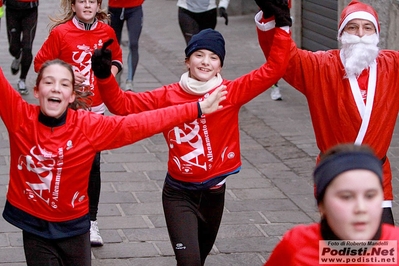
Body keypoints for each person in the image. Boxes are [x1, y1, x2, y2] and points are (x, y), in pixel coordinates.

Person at [91, 5, 291, 263]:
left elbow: (274, 69)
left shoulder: (230, 93)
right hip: (178, 193)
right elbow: (122, 106)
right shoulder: (167, 95)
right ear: (187, 60)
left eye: (213, 57)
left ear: (220, 65)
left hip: (214, 194)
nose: (205, 62)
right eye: (199, 55)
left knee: (199, 259)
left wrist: (283, 26)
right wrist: (104, 76)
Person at [0, 58, 226, 265]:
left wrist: (196, 108)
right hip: (35, 228)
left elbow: (140, 123)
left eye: (64, 84)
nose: (56, 88)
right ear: (37, 91)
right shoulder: (20, 117)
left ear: (71, 96)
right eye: (49, 82)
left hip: (74, 229)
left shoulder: (88, 126)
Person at [255, 0, 399, 224]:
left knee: (385, 253)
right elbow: (284, 60)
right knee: (339, 253)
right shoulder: (320, 65)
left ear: (376, 33)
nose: (360, 33)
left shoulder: (393, 65)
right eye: (353, 27)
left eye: (367, 27)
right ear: (342, 33)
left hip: (377, 176)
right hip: (335, 174)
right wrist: (275, 19)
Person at [33, 0, 123, 246]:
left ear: (97, 5)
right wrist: (66, 71)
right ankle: (57, 213)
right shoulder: (60, 33)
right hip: (66, 109)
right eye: (81, 1)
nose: (87, 6)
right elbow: (39, 64)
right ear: (73, 6)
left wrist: (107, 73)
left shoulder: (107, 32)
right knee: (64, 161)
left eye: (92, 1)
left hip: (96, 109)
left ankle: (91, 222)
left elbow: (117, 58)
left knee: (93, 163)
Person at [264, 144, 399, 265]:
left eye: (370, 196)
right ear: (321, 205)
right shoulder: (296, 246)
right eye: (346, 197)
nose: (361, 208)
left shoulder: (396, 245)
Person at [108, 0, 144, 91]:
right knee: (113, 45)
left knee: (133, 44)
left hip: (135, 7)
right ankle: (116, 75)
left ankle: (130, 81)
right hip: (114, 8)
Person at [4, 0, 39, 95]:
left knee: (27, 48)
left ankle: (22, 79)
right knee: (13, 48)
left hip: (30, 10)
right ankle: (17, 56)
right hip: (12, 9)